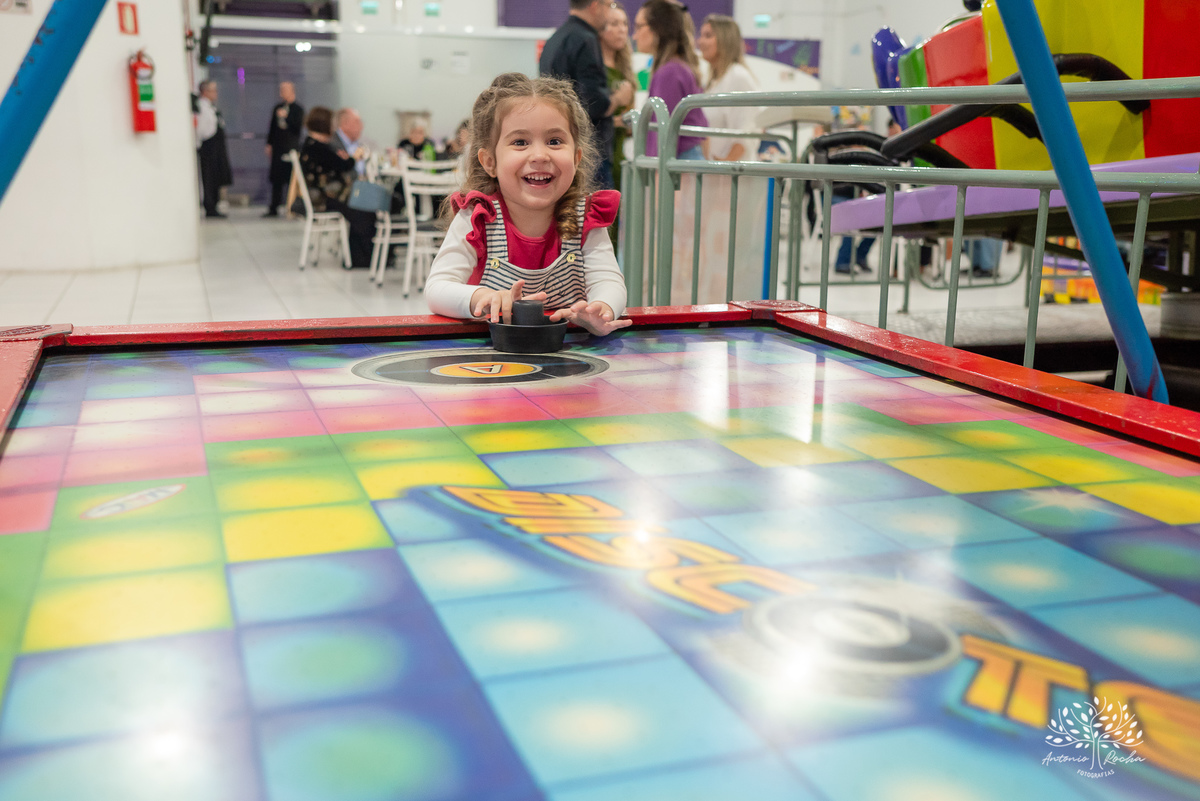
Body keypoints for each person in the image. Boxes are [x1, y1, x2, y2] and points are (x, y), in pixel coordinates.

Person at [425, 73, 629, 337]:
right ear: (490, 162)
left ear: (576, 157)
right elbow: (438, 288)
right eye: (520, 142)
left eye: (555, 141)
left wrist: (603, 308)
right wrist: (480, 297)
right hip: (492, 360)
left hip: (566, 358)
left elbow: (609, 281)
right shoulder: (478, 216)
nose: (540, 155)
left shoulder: (585, 218)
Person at [539, 0, 635, 189]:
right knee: (596, 215)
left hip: (560, 147)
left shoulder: (556, 39)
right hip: (589, 154)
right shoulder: (586, 39)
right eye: (608, 6)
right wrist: (619, 99)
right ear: (595, 5)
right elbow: (594, 103)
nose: (609, 14)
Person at [298, 106, 374, 269]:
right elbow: (343, 165)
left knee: (360, 206)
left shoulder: (310, 144)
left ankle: (363, 256)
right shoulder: (319, 147)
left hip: (319, 196)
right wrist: (354, 158)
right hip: (323, 199)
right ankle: (361, 258)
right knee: (362, 209)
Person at [633, 0, 708, 158]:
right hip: (685, 161)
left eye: (639, 26)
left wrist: (656, 177)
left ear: (657, 29)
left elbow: (663, 136)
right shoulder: (678, 67)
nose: (634, 35)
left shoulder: (670, 72)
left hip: (678, 165)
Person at [697, 15, 757, 162]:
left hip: (733, 176)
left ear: (726, 40)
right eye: (701, 35)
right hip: (715, 173)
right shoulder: (713, 81)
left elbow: (748, 131)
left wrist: (726, 163)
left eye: (708, 36)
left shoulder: (738, 77)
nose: (700, 41)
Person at [600, 2, 636, 193]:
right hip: (601, 154)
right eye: (614, 24)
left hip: (621, 155)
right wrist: (617, 121)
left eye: (624, 24)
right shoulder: (595, 72)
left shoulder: (626, 70)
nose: (621, 30)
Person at [264, 82, 304, 217]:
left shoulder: (298, 109)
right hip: (278, 147)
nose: (282, 92)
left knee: (291, 179)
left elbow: (297, 128)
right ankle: (273, 207)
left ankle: (293, 207)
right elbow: (272, 128)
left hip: (291, 147)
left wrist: (286, 117)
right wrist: (269, 144)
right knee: (276, 179)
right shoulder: (277, 107)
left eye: (285, 90)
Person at [196, 81, 232, 219]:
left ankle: (214, 204)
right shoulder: (202, 107)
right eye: (213, 90)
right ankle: (210, 205)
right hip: (208, 146)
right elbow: (202, 130)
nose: (215, 93)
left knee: (217, 176)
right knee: (209, 177)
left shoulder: (211, 107)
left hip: (216, 147)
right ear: (205, 92)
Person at [335, 108, 370, 176]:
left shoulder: (360, 145)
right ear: (345, 124)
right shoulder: (332, 145)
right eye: (357, 122)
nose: (361, 127)